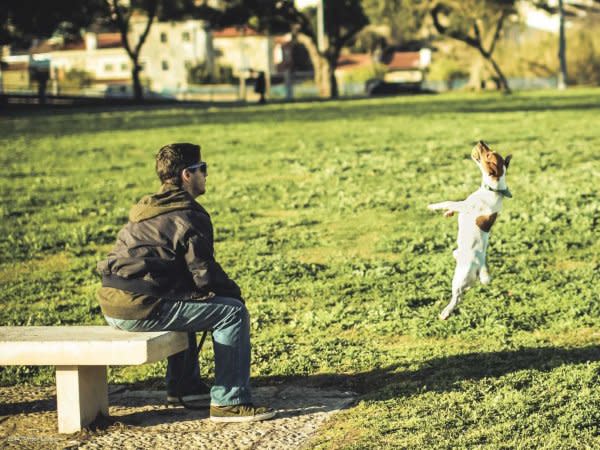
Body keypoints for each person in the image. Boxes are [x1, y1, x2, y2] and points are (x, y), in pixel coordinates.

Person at [96, 143, 275, 423]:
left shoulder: (148, 207)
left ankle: (185, 387)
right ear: (187, 175)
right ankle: (230, 402)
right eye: (202, 168)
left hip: (113, 304)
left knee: (189, 300)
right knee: (231, 312)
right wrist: (234, 294)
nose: (206, 174)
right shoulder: (189, 215)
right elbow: (204, 275)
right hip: (140, 307)